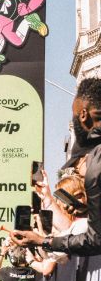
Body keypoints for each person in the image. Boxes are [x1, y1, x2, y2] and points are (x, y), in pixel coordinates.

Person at [13, 78, 101, 256]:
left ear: (83, 114)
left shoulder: (95, 166)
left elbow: (95, 240)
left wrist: (42, 241)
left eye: (73, 113)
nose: (77, 175)